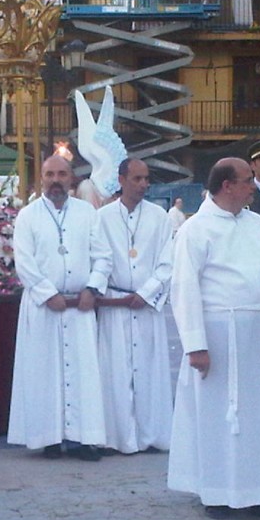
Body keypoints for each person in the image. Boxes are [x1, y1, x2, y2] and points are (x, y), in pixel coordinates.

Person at [168, 157, 260, 520]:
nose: (253, 186)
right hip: (218, 333)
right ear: (227, 185)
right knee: (219, 416)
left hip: (258, 333)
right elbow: (183, 289)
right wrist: (195, 345)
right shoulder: (195, 229)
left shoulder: (258, 224)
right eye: (247, 180)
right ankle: (217, 492)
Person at [7, 155, 112, 461]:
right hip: (44, 306)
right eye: (50, 174)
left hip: (80, 304)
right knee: (44, 372)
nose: (56, 180)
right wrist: (46, 293)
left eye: (62, 174)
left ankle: (83, 439)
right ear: (41, 178)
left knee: (83, 373)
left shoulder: (87, 213)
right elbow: (24, 262)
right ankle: (49, 437)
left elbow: (102, 256)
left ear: (71, 178)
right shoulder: (27, 216)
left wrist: (93, 288)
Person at [96, 158, 174, 454]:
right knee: (114, 370)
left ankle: (152, 434)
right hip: (114, 303)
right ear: (121, 179)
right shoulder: (102, 218)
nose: (143, 184)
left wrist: (147, 291)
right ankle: (117, 436)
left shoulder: (160, 217)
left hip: (145, 304)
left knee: (149, 370)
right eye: (137, 179)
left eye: (146, 179)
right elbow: (98, 259)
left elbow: (168, 261)